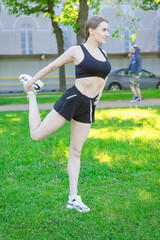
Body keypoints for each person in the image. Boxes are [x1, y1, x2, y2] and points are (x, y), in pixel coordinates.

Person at [20, 15, 111, 213]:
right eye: (104, 30)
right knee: (36, 135)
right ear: (91, 31)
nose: (107, 33)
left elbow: (104, 77)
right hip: (74, 98)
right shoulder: (76, 51)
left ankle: (73, 198)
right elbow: (53, 65)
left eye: (107, 30)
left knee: (75, 151)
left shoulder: (104, 55)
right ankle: (32, 94)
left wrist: (99, 96)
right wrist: (32, 80)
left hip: (87, 105)